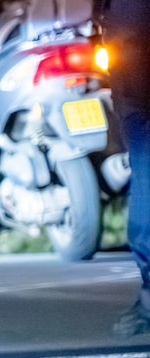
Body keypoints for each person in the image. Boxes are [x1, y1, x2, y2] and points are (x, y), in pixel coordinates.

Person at [103, 0, 150, 335]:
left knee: (146, 176)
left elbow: (130, 24)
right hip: (134, 82)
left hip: (138, 84)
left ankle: (149, 300)